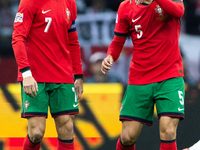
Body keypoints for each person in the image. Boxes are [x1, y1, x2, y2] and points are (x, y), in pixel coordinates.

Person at [101, 0, 185, 149]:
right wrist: (110, 56)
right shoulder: (126, 7)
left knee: (168, 131)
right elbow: (117, 41)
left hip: (170, 76)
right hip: (139, 78)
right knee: (127, 137)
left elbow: (179, 12)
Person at [12, 0, 83, 149]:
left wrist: (78, 75)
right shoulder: (30, 2)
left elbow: (73, 41)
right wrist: (26, 73)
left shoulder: (69, 3)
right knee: (36, 133)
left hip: (63, 75)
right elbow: (18, 37)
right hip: (35, 75)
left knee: (68, 128)